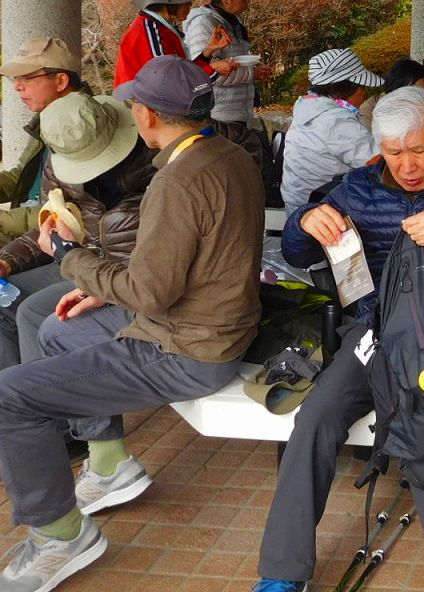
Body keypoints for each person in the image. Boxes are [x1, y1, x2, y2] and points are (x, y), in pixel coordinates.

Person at [0, 56, 264, 592]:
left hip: (183, 349)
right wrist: (97, 285)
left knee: (9, 396)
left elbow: (149, 291)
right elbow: (175, 271)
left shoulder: (176, 179)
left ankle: (60, 535)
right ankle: (108, 463)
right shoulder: (229, 155)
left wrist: (72, 257)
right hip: (214, 326)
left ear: (143, 114)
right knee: (56, 327)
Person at [252, 86, 424, 592]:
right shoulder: (356, 187)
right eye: (394, 152)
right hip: (374, 332)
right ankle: (281, 573)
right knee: (314, 420)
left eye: (418, 150)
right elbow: (296, 255)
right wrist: (304, 220)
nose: (407, 165)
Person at [0, 92, 156, 371]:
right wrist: (8, 259)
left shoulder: (157, 161)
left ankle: (52, 400)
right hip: (78, 263)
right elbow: (52, 226)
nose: (20, 88)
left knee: (42, 317)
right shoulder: (60, 157)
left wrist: (102, 283)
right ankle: (24, 403)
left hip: (129, 276)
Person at [0, 37, 84, 247]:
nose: (18, 87)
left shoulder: (85, 127)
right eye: (15, 78)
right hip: (30, 230)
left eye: (27, 77)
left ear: (61, 81)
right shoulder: (46, 118)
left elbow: (78, 208)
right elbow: (21, 176)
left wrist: (3, 220)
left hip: (57, 239)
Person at [280, 48, 384, 215]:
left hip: (297, 207)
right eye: (361, 87)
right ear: (344, 89)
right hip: (324, 211)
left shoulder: (308, 108)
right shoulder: (335, 120)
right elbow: (378, 163)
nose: (364, 93)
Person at [184, 0, 270, 124]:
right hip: (218, 115)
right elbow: (206, 73)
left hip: (238, 112)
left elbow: (235, 58)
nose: (247, 1)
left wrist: (256, 65)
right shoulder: (203, 24)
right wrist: (252, 74)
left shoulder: (232, 23)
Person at [115, 0, 222, 87]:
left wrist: (208, 51)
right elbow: (170, 86)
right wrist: (213, 70)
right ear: (170, 2)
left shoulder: (160, 27)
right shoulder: (149, 33)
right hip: (144, 104)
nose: (190, 4)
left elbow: (181, 72)